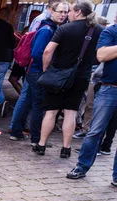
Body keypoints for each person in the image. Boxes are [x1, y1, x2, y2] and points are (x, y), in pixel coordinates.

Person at [34, 0, 102, 158]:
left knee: (51, 112)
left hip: (58, 75)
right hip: (81, 77)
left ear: (78, 12)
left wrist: (46, 70)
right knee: (71, 113)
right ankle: (66, 148)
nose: (67, 14)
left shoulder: (65, 28)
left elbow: (48, 51)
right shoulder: (98, 29)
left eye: (70, 11)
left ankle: (41, 144)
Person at [66, 14, 117, 181]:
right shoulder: (110, 32)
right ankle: (81, 167)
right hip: (110, 88)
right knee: (95, 131)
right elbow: (101, 55)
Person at [11, 0, 67, 145]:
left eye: (65, 12)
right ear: (52, 11)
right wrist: (45, 69)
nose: (63, 15)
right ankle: (35, 139)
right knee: (38, 105)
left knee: (29, 101)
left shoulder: (51, 27)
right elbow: (37, 53)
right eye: (60, 11)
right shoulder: (47, 29)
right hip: (37, 71)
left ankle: (17, 132)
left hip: (35, 71)